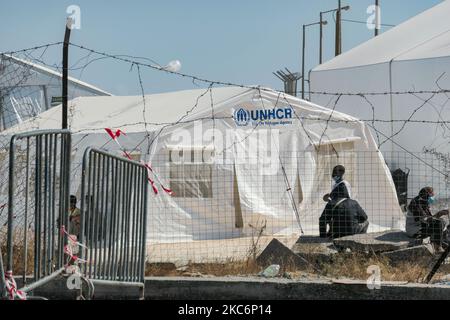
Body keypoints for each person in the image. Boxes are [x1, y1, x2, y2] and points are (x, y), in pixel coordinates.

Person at [319, 165, 369, 239]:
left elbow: (322, 220)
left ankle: (332, 232)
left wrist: (323, 236)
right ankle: (360, 239)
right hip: (352, 232)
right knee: (366, 222)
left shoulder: (331, 203)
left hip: (337, 233)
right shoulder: (354, 203)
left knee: (330, 217)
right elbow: (364, 217)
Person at [406, 187, 449, 251]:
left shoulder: (423, 202)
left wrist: (441, 213)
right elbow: (426, 219)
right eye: (432, 195)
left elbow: (429, 218)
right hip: (415, 231)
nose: (433, 197)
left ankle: (435, 242)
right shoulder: (416, 203)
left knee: (442, 222)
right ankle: (437, 247)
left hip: (421, 227)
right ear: (427, 195)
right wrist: (439, 214)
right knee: (439, 223)